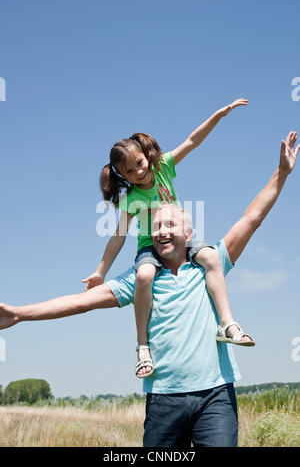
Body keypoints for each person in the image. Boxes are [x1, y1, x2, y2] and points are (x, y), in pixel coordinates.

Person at [0, 131, 298, 446]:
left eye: (170, 225)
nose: (162, 231)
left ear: (188, 231)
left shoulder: (212, 262)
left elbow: (251, 217)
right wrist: (19, 314)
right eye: (155, 227)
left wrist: (282, 172)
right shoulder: (142, 277)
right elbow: (81, 302)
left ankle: (229, 325)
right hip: (163, 400)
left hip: (215, 396)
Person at [82, 98, 253, 379]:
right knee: (145, 276)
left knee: (211, 256)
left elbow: (192, 141)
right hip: (150, 247)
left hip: (178, 241)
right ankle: (142, 346)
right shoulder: (131, 199)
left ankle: (226, 324)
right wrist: (101, 272)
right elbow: (118, 237)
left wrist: (220, 115)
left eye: (139, 163)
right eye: (129, 171)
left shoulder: (163, 168)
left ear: (146, 155)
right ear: (121, 176)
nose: (138, 172)